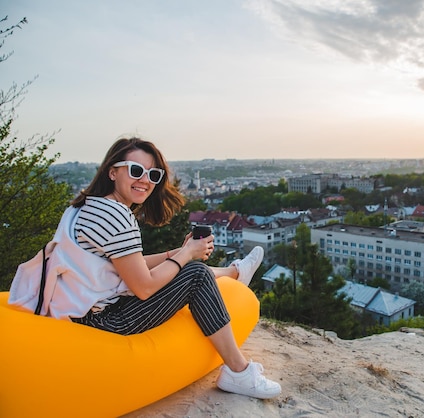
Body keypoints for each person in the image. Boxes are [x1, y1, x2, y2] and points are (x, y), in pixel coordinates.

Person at [30, 136, 280, 399]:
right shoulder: (116, 216)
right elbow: (144, 287)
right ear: (112, 171)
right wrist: (186, 255)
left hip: (78, 312)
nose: (145, 180)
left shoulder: (86, 207)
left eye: (153, 174)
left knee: (191, 269)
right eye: (136, 171)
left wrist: (177, 253)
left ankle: (234, 273)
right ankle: (238, 373)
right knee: (196, 275)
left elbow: (127, 265)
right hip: (100, 322)